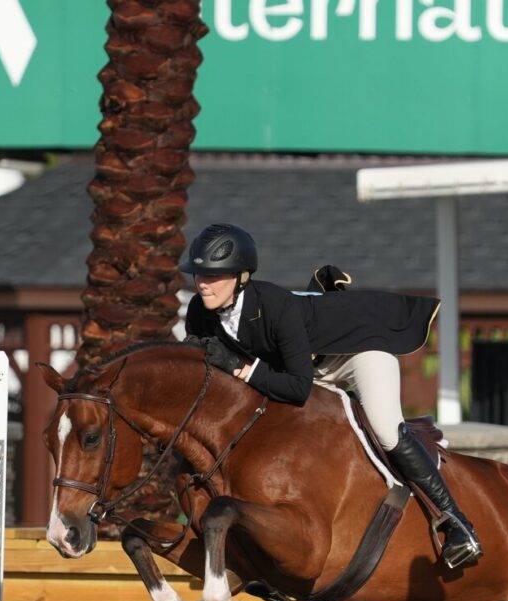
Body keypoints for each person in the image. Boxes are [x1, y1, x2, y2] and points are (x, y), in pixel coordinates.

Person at [180, 223, 482, 569]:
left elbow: (298, 388)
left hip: (355, 354)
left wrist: (241, 368)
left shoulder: (275, 306)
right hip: (303, 368)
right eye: (199, 274)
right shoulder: (199, 311)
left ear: (242, 277)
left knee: (386, 430)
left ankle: (456, 523)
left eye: (214, 276)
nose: (203, 283)